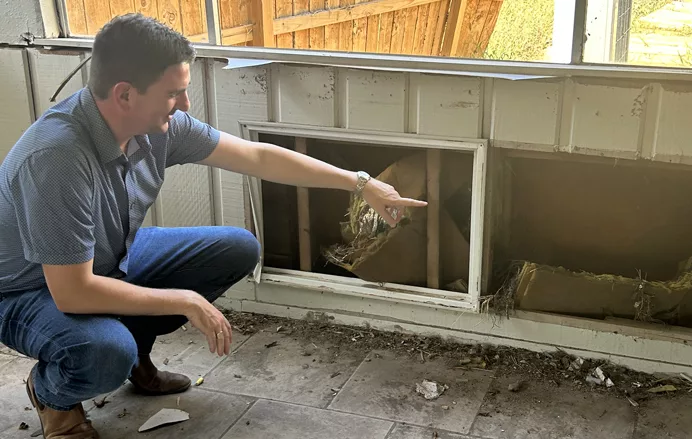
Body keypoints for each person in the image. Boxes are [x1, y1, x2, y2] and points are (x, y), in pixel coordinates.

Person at [0, 13, 426, 439]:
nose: (185, 104)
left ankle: (136, 356)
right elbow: (73, 291)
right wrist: (184, 300)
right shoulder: (56, 158)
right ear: (125, 94)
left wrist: (361, 183)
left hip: (105, 259)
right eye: (174, 93)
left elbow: (256, 156)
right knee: (104, 352)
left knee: (236, 248)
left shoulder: (154, 127)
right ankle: (53, 395)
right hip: (28, 289)